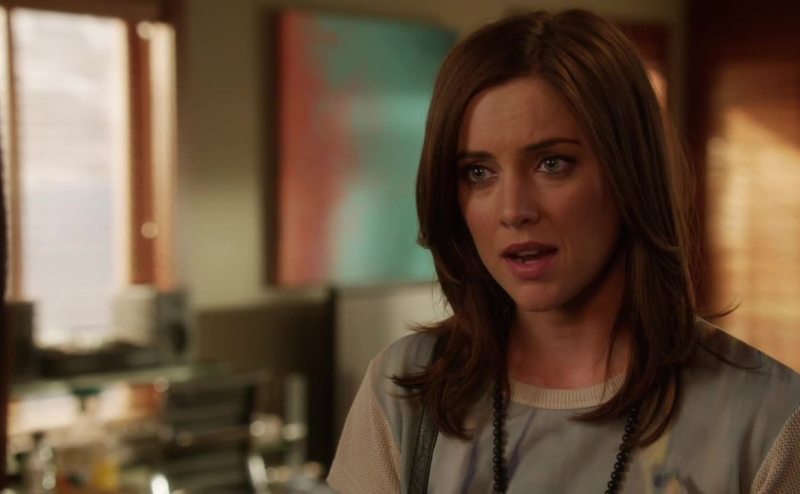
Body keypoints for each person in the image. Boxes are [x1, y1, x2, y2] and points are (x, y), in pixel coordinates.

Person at [327, 9, 800, 493]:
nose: (513, 210)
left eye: (552, 163)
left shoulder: (768, 419)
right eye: (478, 172)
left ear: (629, 173)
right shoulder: (404, 391)